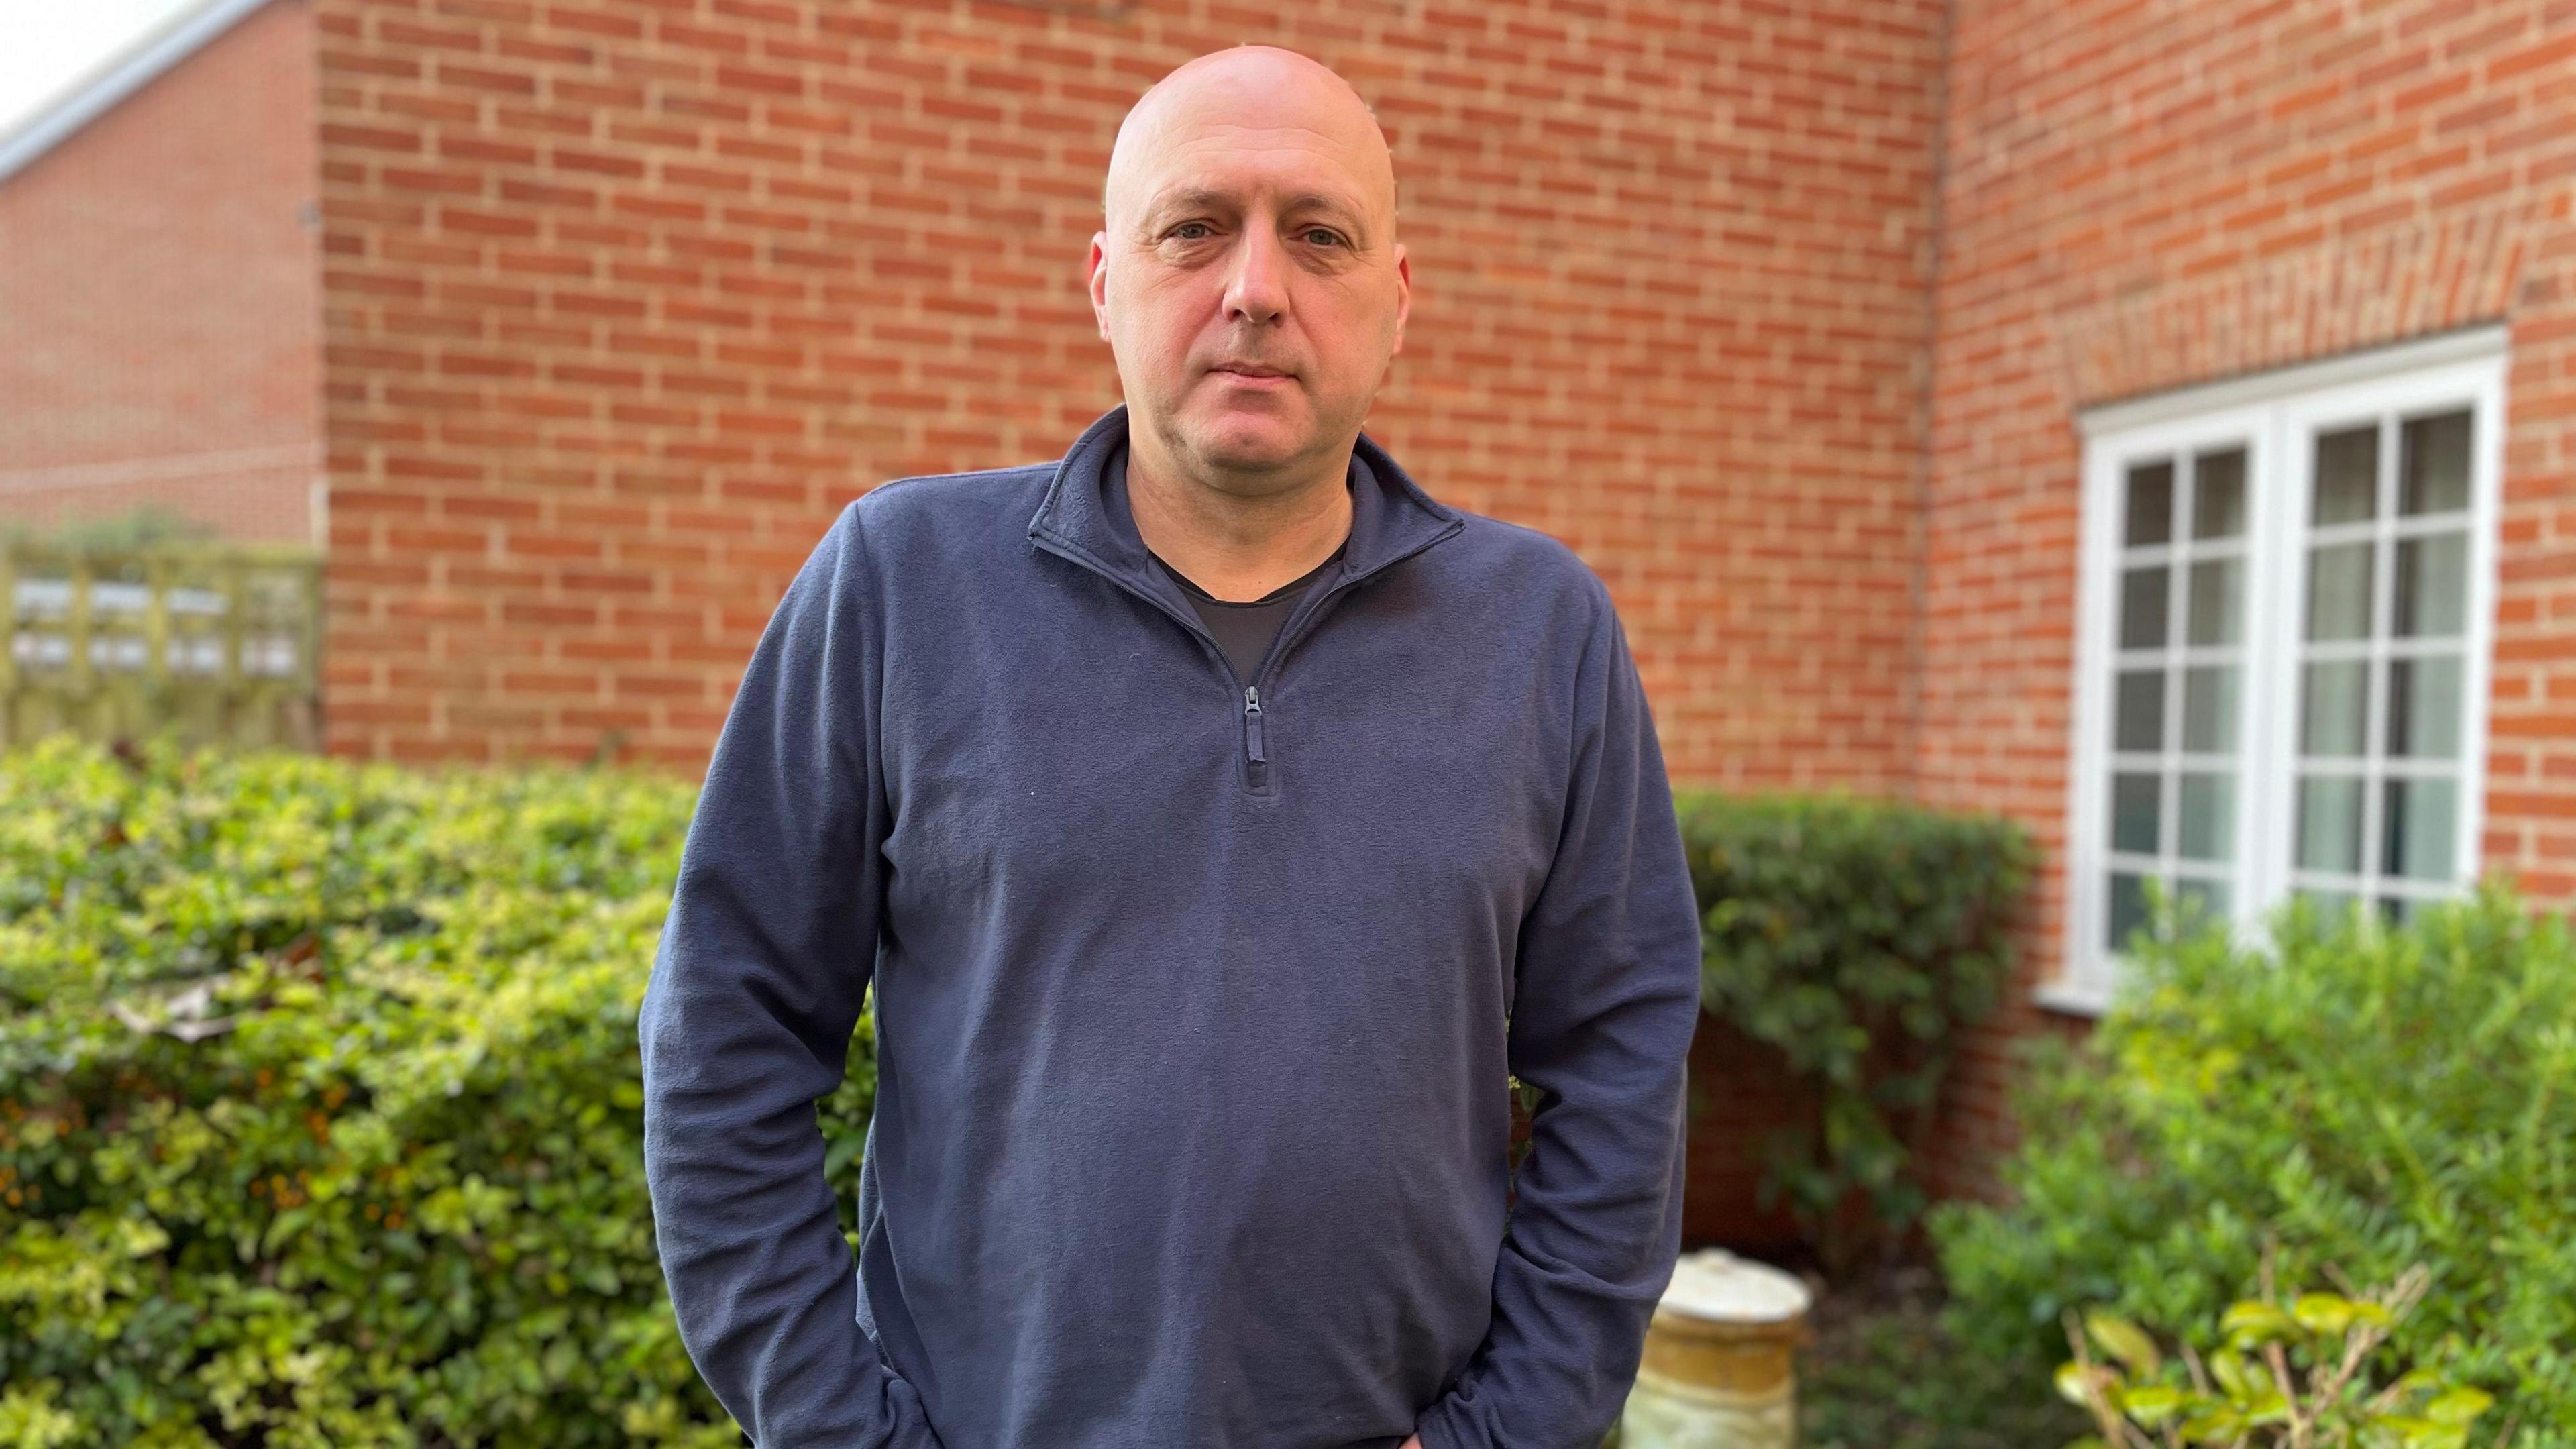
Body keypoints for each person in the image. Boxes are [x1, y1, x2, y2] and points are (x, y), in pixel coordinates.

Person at [637, 42, 1704, 1449]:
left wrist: (1506, 1433)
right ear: (1104, 282)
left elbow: (1622, 1064)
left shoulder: (1538, 631)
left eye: (1318, 237)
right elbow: (725, 1031)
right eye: (1195, 229)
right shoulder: (902, 585)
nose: (1255, 288)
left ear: (1395, 304)